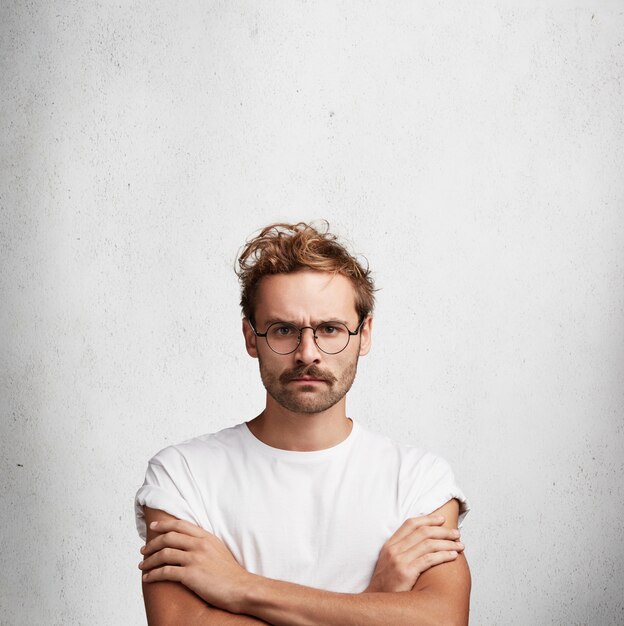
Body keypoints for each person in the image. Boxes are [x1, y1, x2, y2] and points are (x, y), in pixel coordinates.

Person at [135, 221, 471, 625]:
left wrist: (240, 587)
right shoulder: (182, 476)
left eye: (330, 329)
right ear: (250, 337)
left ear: (364, 335)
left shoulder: (420, 481)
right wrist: (377, 600)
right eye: (283, 330)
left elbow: (443, 620)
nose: (307, 353)